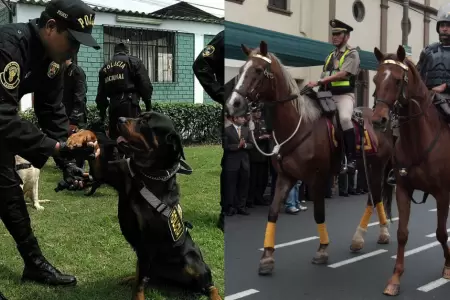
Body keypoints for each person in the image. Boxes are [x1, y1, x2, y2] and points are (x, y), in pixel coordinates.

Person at [0, 0, 100, 298]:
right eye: (73, 41)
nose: (75, 51)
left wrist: (70, 161)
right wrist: (53, 147)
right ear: (51, 27)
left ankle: (34, 264)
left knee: (9, 196)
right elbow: (2, 116)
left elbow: (52, 111)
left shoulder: (52, 61)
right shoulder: (9, 46)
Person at [387, 3, 450, 184]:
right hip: (427, 96)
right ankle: (396, 166)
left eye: (448, 25)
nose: (445, 28)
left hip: (448, 96)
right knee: (400, 120)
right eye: (443, 25)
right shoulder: (428, 50)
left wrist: (445, 86)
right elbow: (419, 75)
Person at [307, 19, 361, 173]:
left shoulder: (352, 53)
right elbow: (325, 74)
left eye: (338, 34)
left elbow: (343, 74)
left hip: (344, 96)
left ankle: (351, 159)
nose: (335, 37)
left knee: (344, 119)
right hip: (327, 95)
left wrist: (319, 81)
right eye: (333, 34)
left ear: (347, 36)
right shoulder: (330, 56)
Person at [192, 30, 225, 231]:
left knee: (249, 164)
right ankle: (226, 212)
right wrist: (221, 94)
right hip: (234, 108)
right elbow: (200, 64)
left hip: (256, 108)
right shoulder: (225, 36)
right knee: (232, 161)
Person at [95, 42, 153, 142]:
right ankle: (132, 156)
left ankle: (117, 156)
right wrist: (148, 104)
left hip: (113, 105)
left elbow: (101, 94)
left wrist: (102, 114)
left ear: (115, 52)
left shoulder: (105, 67)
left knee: (115, 137)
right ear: (127, 51)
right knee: (132, 135)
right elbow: (145, 84)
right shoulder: (133, 61)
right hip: (130, 103)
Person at [63, 57, 88, 168]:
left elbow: (80, 95)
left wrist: (75, 116)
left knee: (78, 140)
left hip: (76, 114)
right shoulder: (63, 71)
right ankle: (69, 162)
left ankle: (79, 165)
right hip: (65, 111)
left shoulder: (76, 71)